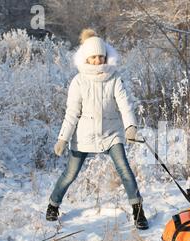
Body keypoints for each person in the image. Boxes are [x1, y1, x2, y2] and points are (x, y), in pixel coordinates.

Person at [45, 28, 148, 230]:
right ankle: (53, 205)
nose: (98, 60)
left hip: (111, 133)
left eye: (101, 56)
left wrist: (130, 127)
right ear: (86, 58)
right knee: (70, 173)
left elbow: (125, 105)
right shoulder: (78, 81)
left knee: (125, 171)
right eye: (93, 57)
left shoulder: (115, 78)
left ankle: (138, 212)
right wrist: (63, 139)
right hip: (84, 135)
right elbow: (72, 113)